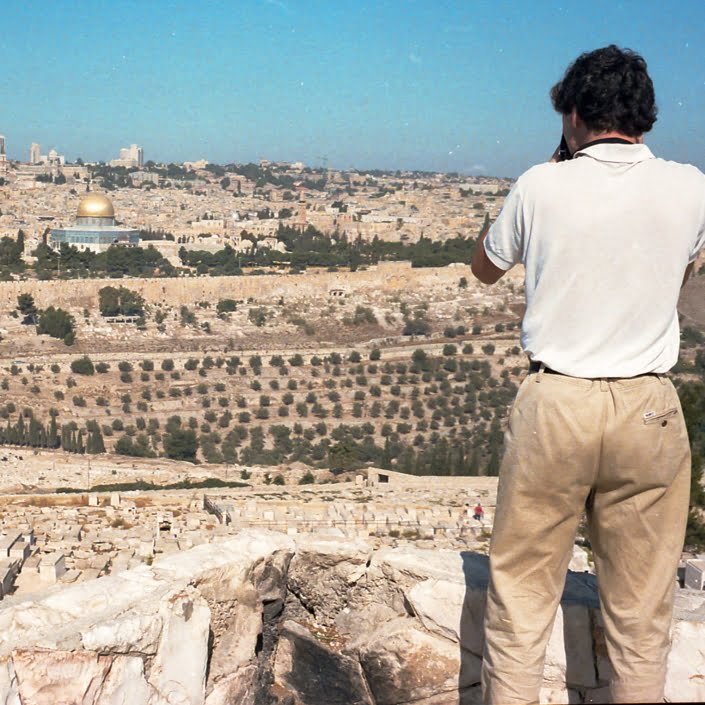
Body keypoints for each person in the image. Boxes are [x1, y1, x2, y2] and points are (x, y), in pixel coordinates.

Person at [471, 45, 705, 704]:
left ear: (572, 114)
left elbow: (484, 267)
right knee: (640, 613)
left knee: (519, 601)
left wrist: (552, 174)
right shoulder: (691, 186)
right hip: (647, 408)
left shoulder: (540, 184)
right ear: (644, 116)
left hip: (556, 404)